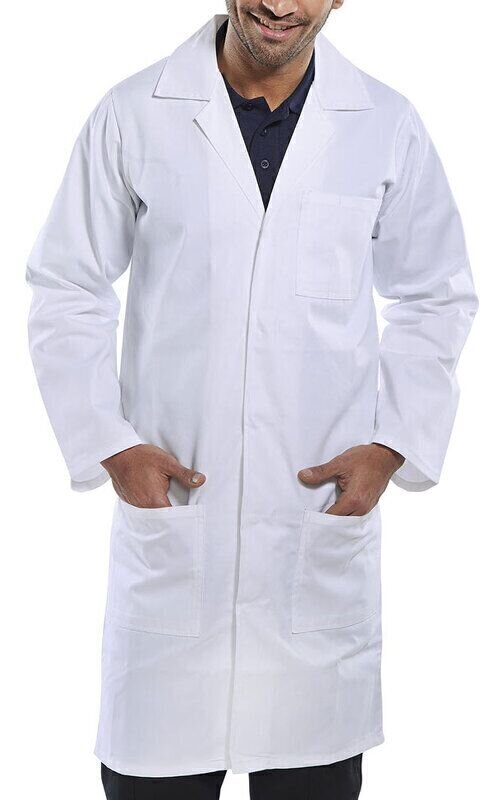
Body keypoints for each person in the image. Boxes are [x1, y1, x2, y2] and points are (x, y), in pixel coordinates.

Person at [26, 3, 478, 799]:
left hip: (313, 540)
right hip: (177, 540)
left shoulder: (385, 124)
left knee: (312, 773)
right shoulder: (134, 113)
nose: (278, 4)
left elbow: (435, 293)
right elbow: (67, 285)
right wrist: (109, 444)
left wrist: (392, 445)